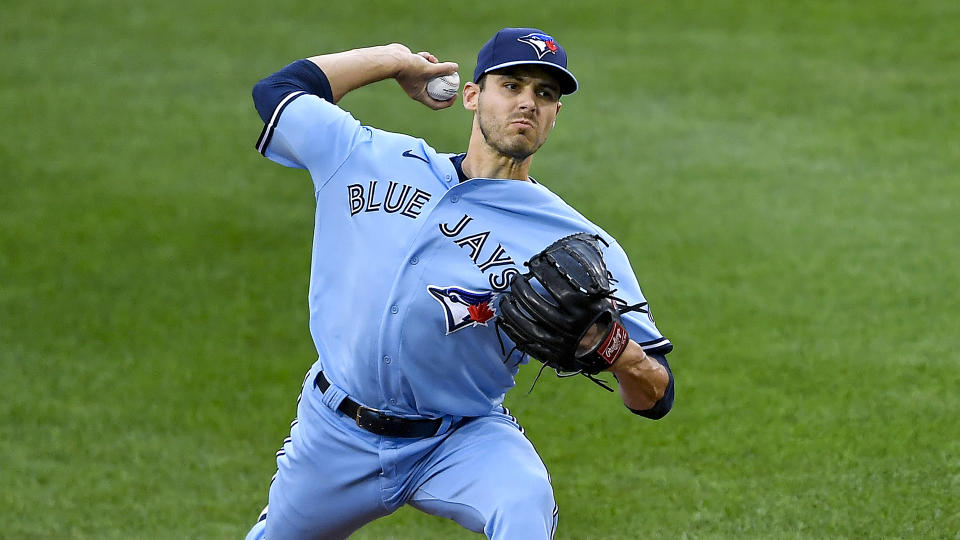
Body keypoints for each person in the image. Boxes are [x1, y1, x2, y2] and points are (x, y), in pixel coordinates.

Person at [244, 27, 675, 540]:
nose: (528, 104)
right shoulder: (366, 158)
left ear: (556, 114)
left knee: (524, 502)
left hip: (459, 439)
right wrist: (394, 61)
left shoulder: (579, 242)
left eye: (545, 94)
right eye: (511, 85)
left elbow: (657, 396)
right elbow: (278, 92)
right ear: (471, 95)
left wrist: (618, 351)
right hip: (334, 433)